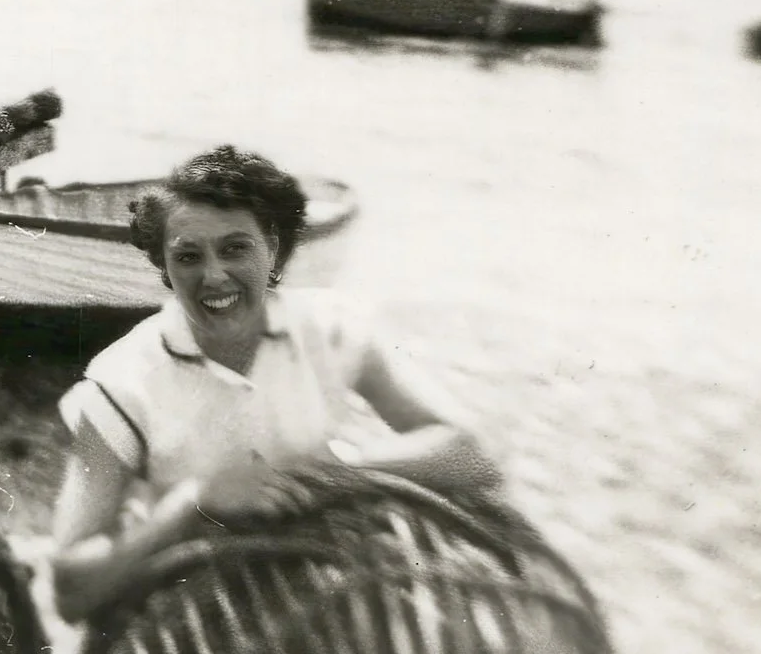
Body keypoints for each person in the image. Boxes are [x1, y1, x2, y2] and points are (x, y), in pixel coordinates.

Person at [48, 145, 500, 623]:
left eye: (235, 249)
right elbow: (70, 588)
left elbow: (468, 453)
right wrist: (194, 504)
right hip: (186, 604)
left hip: (314, 574)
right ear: (165, 269)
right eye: (188, 257)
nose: (214, 276)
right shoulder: (121, 385)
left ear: (275, 250)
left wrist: (330, 476)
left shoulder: (329, 329)